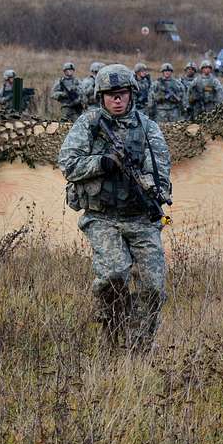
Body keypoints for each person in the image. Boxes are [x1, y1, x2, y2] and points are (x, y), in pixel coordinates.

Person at [57, 63, 172, 353]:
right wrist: (101, 163)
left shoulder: (148, 128)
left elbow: (161, 173)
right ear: (101, 97)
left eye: (122, 94)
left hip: (141, 217)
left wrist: (149, 188)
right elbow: (68, 164)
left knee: (154, 287)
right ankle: (112, 333)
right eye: (111, 95)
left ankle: (140, 345)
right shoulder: (89, 124)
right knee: (114, 276)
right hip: (103, 217)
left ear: (131, 94)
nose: (117, 99)